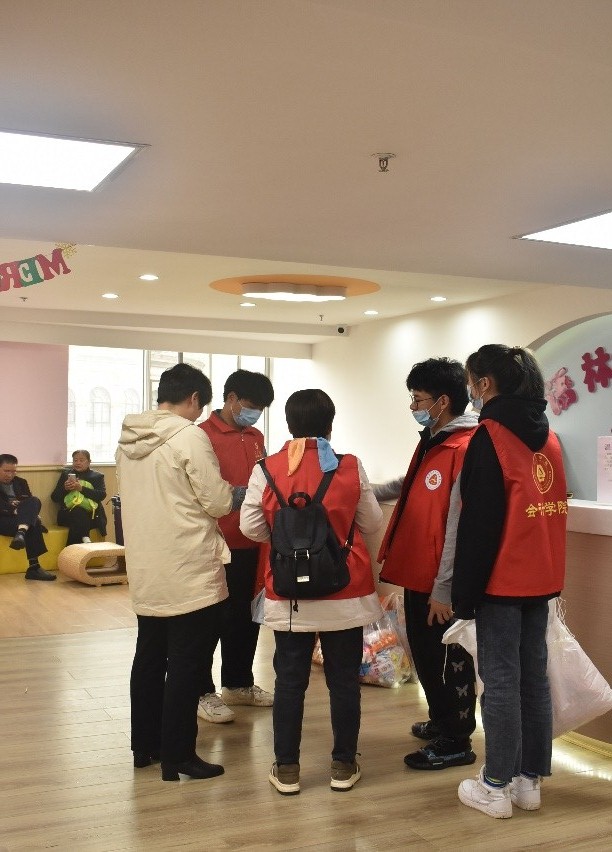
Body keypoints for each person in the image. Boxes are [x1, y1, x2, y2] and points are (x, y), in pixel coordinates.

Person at [240, 388, 383, 795]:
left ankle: (287, 768)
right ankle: (343, 765)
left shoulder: (266, 468)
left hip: (290, 595)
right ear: (330, 425)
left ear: (289, 425)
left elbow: (251, 527)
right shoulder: (349, 466)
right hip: (346, 593)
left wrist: (288, 540)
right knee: (344, 682)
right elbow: (372, 522)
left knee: (290, 682)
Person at [452, 345, 567, 818]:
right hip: (542, 575)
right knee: (532, 678)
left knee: (500, 681)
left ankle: (494, 785)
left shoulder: (490, 438)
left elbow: (479, 525)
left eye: (471, 382)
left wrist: (464, 594)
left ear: (484, 385)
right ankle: (528, 780)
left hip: (502, 580)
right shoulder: (550, 438)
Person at [115, 362, 233, 782]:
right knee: (187, 662)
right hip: (188, 567)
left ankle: (144, 746)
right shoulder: (189, 436)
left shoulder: (127, 441)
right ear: (194, 399)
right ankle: (178, 755)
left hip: (147, 566)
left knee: (149, 657)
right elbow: (217, 501)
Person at [376, 358, 479, 770]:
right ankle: (441, 719)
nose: (413, 407)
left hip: (442, 581)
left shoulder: (466, 447)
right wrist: (360, 489)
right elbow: (409, 484)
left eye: (418, 399)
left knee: (450, 660)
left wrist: (444, 589)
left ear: (443, 401)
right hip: (419, 571)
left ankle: (457, 740)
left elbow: (458, 525)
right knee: (424, 652)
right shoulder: (433, 440)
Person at [197, 369, 275, 724]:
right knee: (211, 620)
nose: (254, 414)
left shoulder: (256, 436)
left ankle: (238, 683)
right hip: (215, 543)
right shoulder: (202, 436)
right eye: (251, 405)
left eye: (260, 409)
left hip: (253, 541)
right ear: (231, 399)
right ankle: (201, 691)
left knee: (246, 617)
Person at [0, 453, 55, 581]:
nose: (10, 475)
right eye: (6, 471)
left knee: (35, 500)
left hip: (19, 519)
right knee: (34, 523)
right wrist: (14, 509)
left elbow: (29, 502)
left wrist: (24, 510)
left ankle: (21, 532)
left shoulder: (21, 482)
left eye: (13, 471)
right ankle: (34, 568)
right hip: (3, 520)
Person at [51, 449, 107, 545]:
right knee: (78, 511)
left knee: (77, 520)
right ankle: (85, 538)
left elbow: (101, 495)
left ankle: (71, 551)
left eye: (81, 460)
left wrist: (81, 489)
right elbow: (54, 498)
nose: (78, 463)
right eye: (75, 460)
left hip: (91, 515)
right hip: (68, 514)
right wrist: (65, 488)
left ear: (89, 462)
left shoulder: (97, 476)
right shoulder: (66, 475)